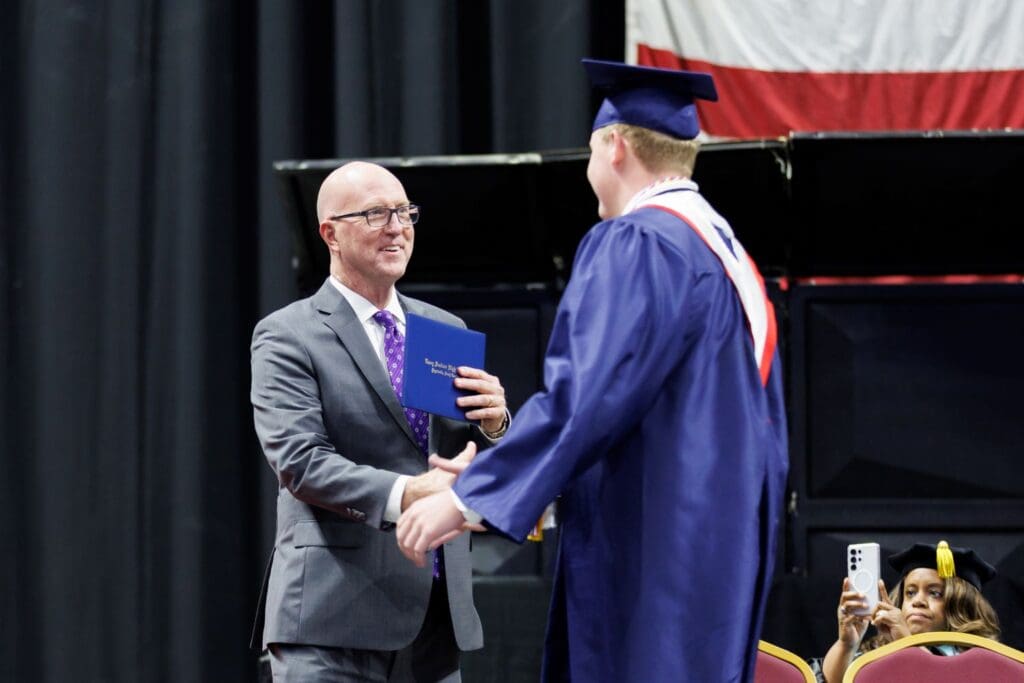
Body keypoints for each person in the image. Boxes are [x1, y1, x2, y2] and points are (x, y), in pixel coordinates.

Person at [397, 59, 789, 682]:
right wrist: (511, 472)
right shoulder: (727, 254)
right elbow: (643, 416)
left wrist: (469, 498)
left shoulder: (640, 241)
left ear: (614, 146)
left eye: (588, 153)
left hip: (649, 560)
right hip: (714, 551)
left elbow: (588, 399)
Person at [250, 161, 511, 682]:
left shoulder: (444, 328)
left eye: (404, 212)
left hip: (437, 619)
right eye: (375, 214)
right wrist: (411, 493)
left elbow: (462, 462)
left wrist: (495, 424)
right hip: (332, 621)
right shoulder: (287, 335)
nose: (396, 227)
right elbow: (300, 463)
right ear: (331, 234)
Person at [815, 540, 1001, 683]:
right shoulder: (878, 655)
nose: (918, 601)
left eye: (935, 593)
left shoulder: (982, 661)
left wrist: (907, 642)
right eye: (910, 593)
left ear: (962, 604)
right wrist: (846, 644)